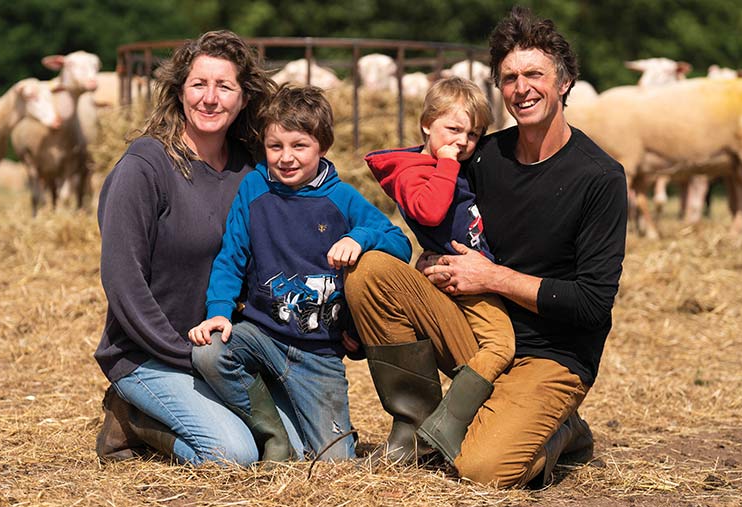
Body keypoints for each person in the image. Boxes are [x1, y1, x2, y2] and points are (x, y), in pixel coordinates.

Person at [344, 6, 628, 488]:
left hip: (552, 354)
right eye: (510, 77)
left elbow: (593, 303)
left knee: (482, 469)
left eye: (535, 74)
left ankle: (561, 430)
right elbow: (440, 221)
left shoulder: (599, 177)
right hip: (477, 326)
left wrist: (490, 277)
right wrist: (431, 262)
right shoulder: (483, 155)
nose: (522, 88)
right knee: (370, 272)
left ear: (564, 81)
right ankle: (418, 424)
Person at [93, 30, 307, 466]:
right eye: (198, 85)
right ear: (180, 91)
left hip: (223, 353)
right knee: (233, 454)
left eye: (224, 86)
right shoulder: (146, 166)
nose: (210, 99)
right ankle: (132, 418)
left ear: (243, 97)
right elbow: (122, 279)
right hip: (149, 353)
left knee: (299, 448)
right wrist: (184, 353)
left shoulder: (253, 170)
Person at [187, 84, 412, 463]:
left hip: (319, 354)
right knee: (209, 353)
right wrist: (219, 312)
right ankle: (271, 432)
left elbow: (399, 243)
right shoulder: (255, 189)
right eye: (276, 147)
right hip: (262, 335)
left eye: (299, 146)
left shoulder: (342, 199)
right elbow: (231, 256)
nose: (286, 157)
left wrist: (361, 238)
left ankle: (307, 427)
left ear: (322, 146)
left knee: (335, 463)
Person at [363, 76, 515, 463]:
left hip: (479, 275)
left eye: (473, 134)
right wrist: (446, 165)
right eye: (452, 129)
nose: (461, 141)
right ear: (426, 123)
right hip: (467, 283)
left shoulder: (454, 164)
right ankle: (444, 423)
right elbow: (428, 211)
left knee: (496, 348)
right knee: (501, 346)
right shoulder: (416, 170)